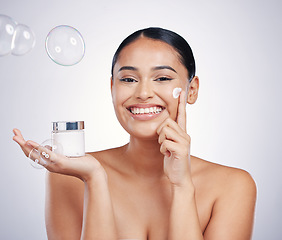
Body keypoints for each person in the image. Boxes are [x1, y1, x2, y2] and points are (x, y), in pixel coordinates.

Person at [13, 27, 257, 240]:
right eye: (128, 79)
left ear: (191, 90)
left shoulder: (233, 187)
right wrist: (95, 179)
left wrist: (182, 186)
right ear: (112, 87)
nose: (143, 93)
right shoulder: (68, 176)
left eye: (162, 78)